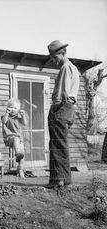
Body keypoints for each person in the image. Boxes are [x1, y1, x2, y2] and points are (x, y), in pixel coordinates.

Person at [47, 40, 80, 187]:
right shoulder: (75, 68)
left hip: (60, 108)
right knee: (62, 144)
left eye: (55, 57)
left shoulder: (65, 68)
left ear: (63, 53)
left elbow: (64, 93)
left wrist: (55, 107)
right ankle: (66, 179)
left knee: (56, 145)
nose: (54, 61)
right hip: (69, 110)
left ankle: (57, 180)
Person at [1, 98, 27, 178]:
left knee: (23, 156)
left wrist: (23, 116)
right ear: (8, 107)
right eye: (11, 107)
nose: (13, 109)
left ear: (18, 109)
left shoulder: (18, 116)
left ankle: (20, 170)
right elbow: (4, 122)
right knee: (16, 139)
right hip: (9, 137)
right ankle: (17, 153)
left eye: (15, 108)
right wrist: (6, 113)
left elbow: (25, 123)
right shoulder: (6, 116)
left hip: (19, 138)